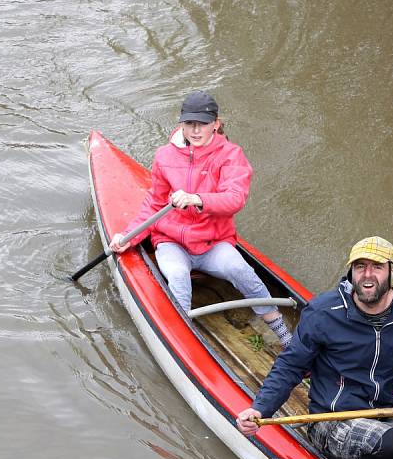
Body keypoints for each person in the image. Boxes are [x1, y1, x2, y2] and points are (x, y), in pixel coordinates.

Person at [236, 236, 393, 459]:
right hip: (334, 417)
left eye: (377, 267)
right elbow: (290, 365)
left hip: (389, 410)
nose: (367, 275)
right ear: (351, 272)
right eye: (360, 267)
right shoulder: (324, 312)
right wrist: (260, 409)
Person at [108, 90, 292, 348]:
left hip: (212, 243)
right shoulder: (165, 156)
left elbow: (235, 199)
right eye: (189, 124)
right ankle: (183, 342)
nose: (195, 131)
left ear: (215, 124)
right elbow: (154, 202)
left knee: (241, 270)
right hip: (171, 241)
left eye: (202, 124)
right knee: (178, 276)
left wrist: (198, 199)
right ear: (180, 124)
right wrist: (128, 237)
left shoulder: (231, 155)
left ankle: (282, 331)